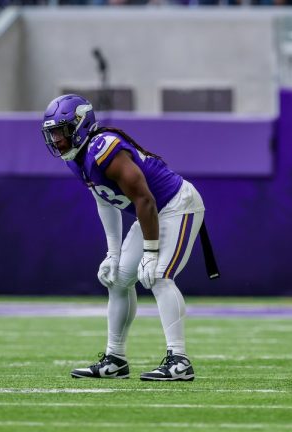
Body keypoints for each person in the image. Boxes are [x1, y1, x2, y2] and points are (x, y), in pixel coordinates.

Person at [41, 94, 206, 381]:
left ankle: (179, 360)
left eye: (61, 132)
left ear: (80, 125)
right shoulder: (78, 158)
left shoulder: (104, 147)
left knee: (158, 275)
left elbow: (145, 199)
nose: (57, 140)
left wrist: (151, 253)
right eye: (52, 133)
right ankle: (115, 359)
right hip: (152, 213)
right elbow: (105, 200)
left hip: (176, 205)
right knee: (118, 278)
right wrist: (113, 254)